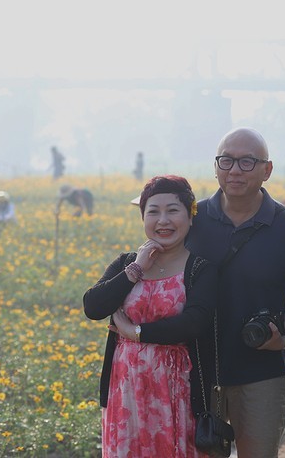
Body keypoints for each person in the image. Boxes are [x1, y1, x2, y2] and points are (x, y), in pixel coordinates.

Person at [186, 127, 285, 458]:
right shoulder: (192, 221)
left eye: (247, 162)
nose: (235, 170)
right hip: (196, 370)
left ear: (266, 170)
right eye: (226, 161)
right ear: (215, 167)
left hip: (261, 374)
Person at [83, 175, 219, 456]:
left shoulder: (201, 269)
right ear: (143, 218)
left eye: (173, 210)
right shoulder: (126, 263)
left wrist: (136, 333)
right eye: (153, 212)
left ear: (190, 217)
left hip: (177, 389)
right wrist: (135, 269)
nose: (163, 220)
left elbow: (194, 323)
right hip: (125, 389)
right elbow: (93, 306)